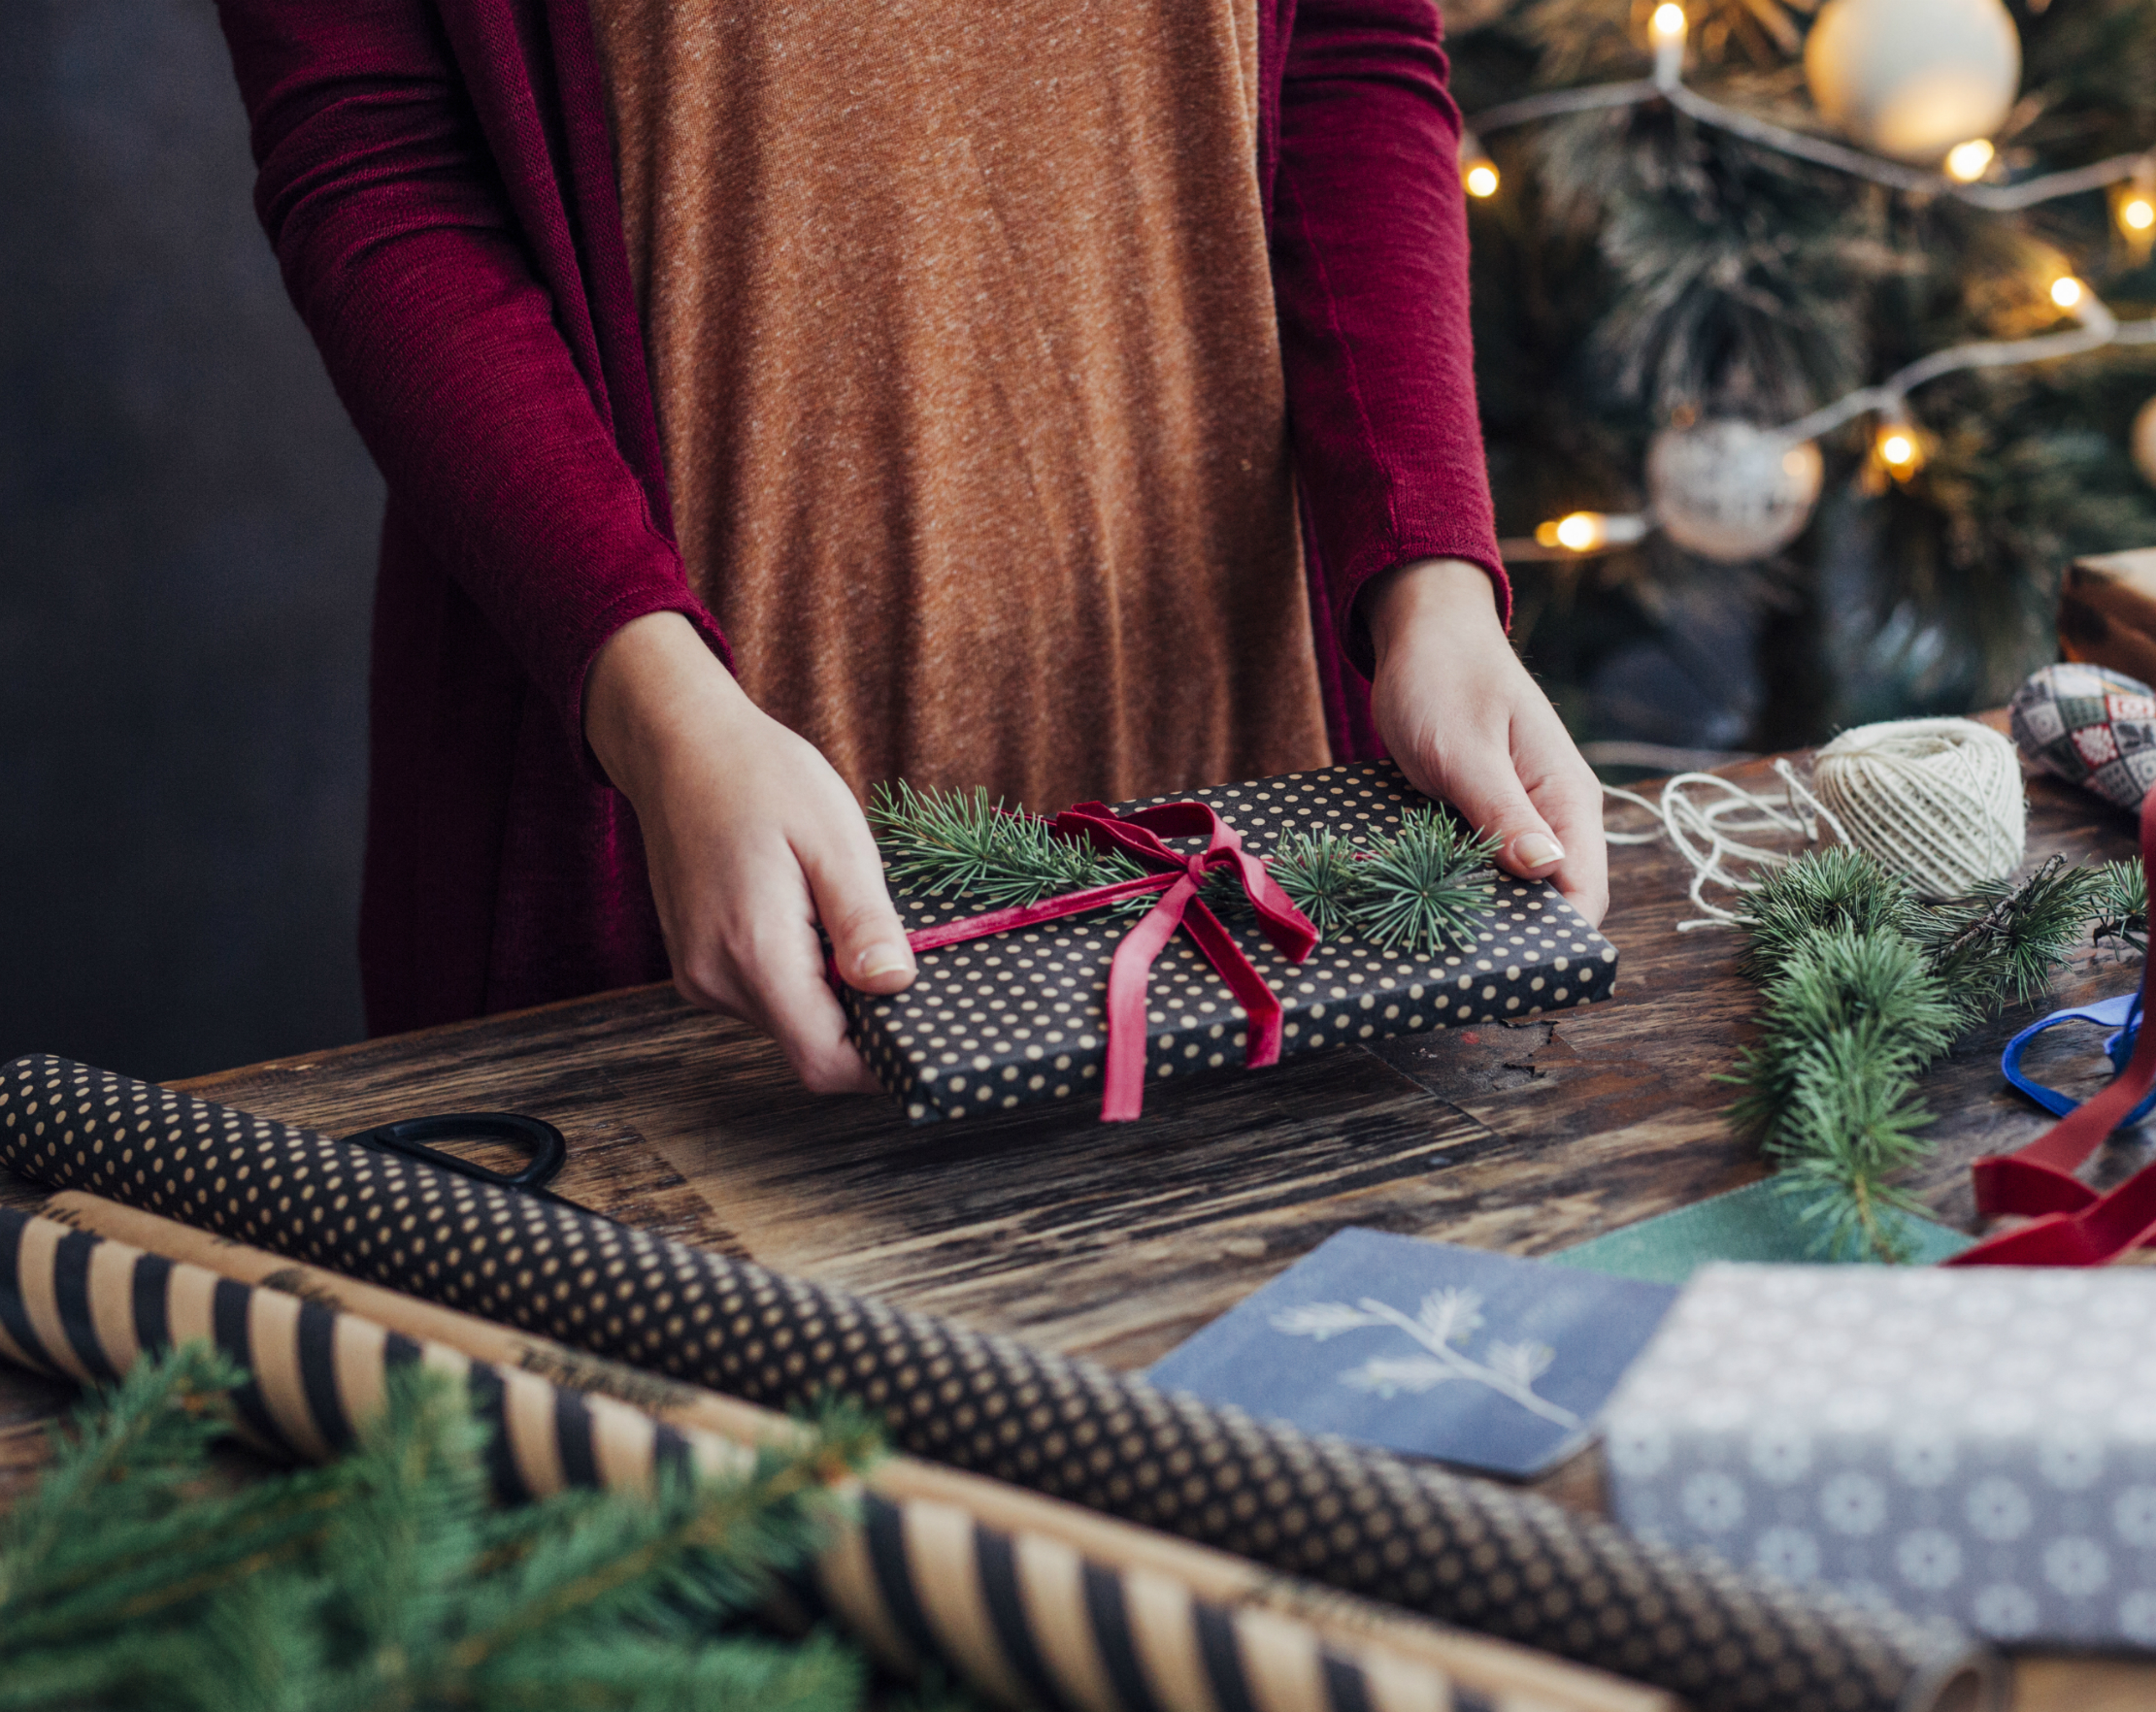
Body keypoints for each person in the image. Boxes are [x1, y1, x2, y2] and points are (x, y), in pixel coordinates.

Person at [215, 0, 1606, 1093]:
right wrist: (658, 719)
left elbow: (1348, 54)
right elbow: (380, 166)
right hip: (680, 806)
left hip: (1251, 809)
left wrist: (1435, 592)